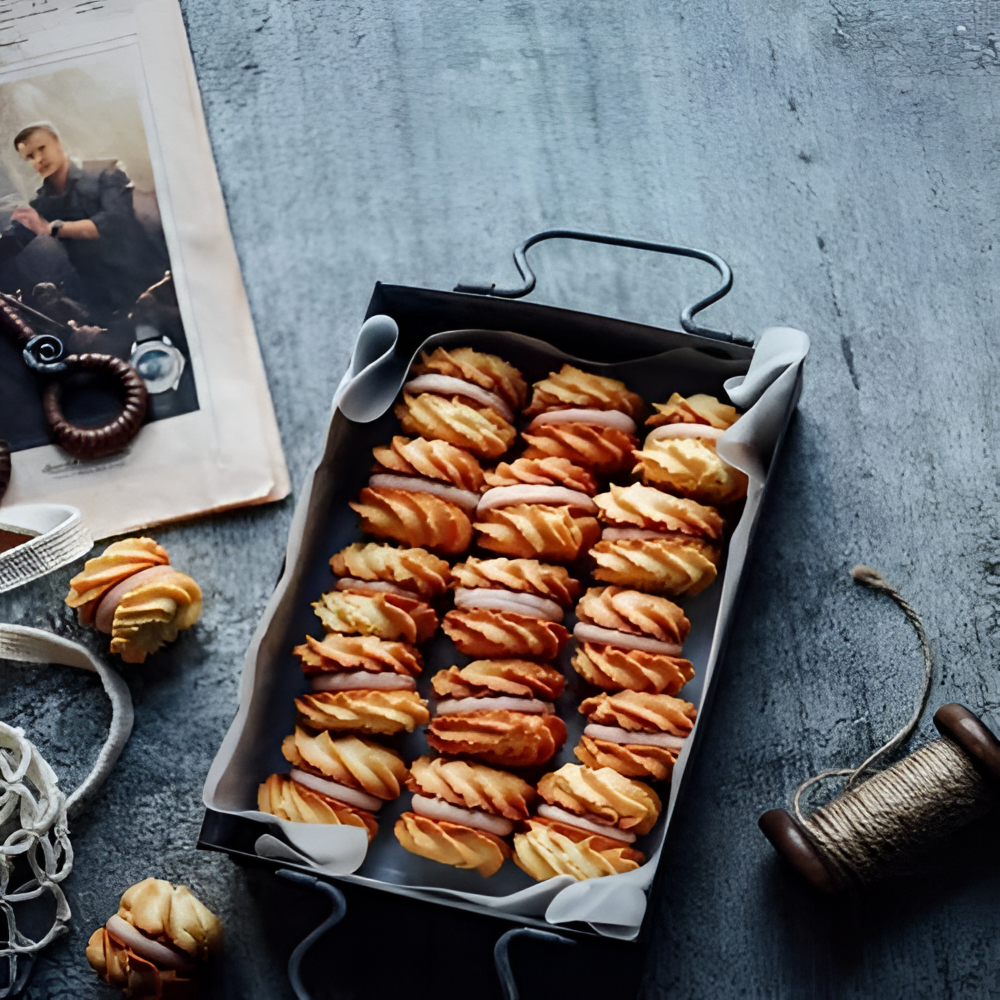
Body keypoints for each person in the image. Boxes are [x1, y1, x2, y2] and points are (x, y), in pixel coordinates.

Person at [0, 122, 169, 321]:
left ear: (58, 143)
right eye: (30, 156)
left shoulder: (106, 173)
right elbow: (16, 239)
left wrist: (52, 229)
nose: (38, 159)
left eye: (41, 148)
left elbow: (115, 222)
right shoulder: (42, 203)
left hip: (148, 279)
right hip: (103, 301)